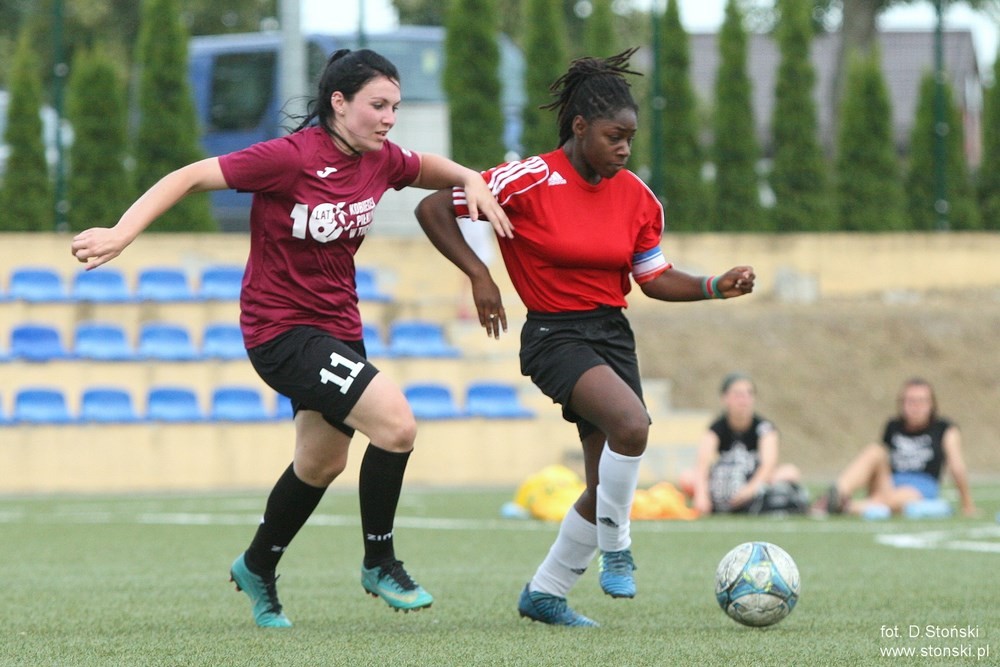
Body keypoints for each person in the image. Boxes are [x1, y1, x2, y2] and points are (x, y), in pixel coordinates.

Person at [70, 48, 512, 628]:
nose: (388, 119)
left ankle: (257, 565)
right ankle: (380, 561)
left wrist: (472, 178)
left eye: (395, 107)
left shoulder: (380, 159)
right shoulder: (289, 158)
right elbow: (190, 176)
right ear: (339, 103)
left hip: (340, 329)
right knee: (397, 426)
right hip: (280, 331)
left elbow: (429, 167)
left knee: (321, 462)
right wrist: (122, 233)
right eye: (378, 105)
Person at [414, 48, 755, 627]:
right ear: (579, 127)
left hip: (611, 334)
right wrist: (480, 275)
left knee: (603, 487)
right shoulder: (528, 179)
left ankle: (545, 593)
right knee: (633, 426)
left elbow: (652, 278)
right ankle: (617, 548)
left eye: (630, 139)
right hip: (554, 334)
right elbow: (432, 209)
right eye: (613, 136)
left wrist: (713, 286)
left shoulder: (638, 197)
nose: (624, 149)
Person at [814, 377, 977, 518]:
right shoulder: (893, 426)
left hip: (920, 488)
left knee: (897, 499)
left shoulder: (944, 428)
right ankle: (835, 496)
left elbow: (956, 466)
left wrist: (967, 504)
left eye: (921, 401)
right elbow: (878, 464)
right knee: (875, 450)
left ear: (932, 404)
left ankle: (847, 507)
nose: (915, 407)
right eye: (910, 401)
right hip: (890, 482)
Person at [684, 373, 803, 515]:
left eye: (748, 394)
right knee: (687, 477)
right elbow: (702, 464)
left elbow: (768, 465)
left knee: (790, 472)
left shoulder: (765, 429)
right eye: (738, 395)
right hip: (724, 480)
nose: (744, 400)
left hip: (753, 479)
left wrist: (749, 490)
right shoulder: (716, 429)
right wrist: (702, 495)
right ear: (725, 398)